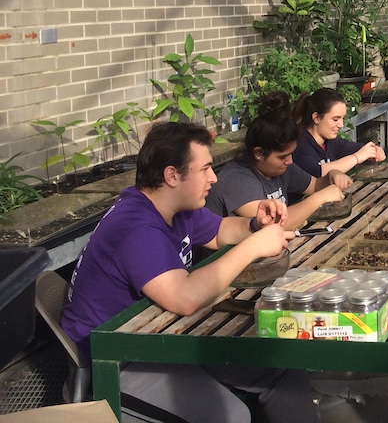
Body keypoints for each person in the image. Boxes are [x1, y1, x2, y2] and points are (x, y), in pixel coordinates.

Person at [61, 121, 316, 423]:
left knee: (283, 369)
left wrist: (254, 225)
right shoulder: (136, 227)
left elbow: (220, 231)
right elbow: (185, 297)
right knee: (230, 417)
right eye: (206, 169)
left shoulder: (177, 207)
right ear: (172, 175)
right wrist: (254, 246)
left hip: (165, 336)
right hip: (117, 362)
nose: (213, 178)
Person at [206, 90, 354, 230]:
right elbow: (272, 224)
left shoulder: (281, 168)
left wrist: (331, 176)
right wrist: (320, 198)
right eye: (282, 156)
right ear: (258, 153)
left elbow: (314, 185)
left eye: (291, 154)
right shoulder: (236, 180)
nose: (290, 161)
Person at [292, 87, 386, 178]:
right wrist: (356, 157)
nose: (341, 125)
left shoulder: (330, 142)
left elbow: (358, 149)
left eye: (342, 118)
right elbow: (317, 172)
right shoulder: (300, 145)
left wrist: (374, 151)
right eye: (335, 119)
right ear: (316, 118)